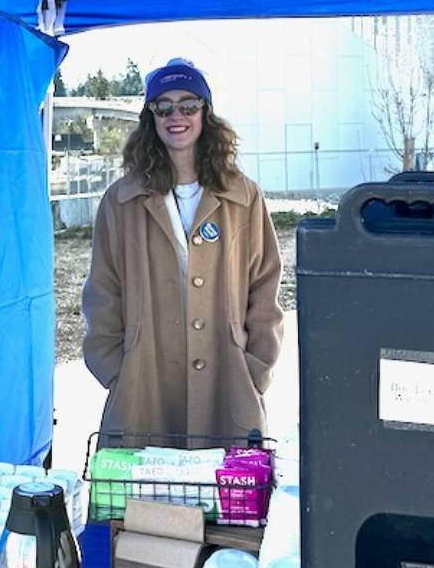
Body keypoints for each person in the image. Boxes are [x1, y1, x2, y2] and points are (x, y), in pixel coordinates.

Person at [82, 58, 284, 443]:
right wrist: (115, 370)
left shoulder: (243, 197)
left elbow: (265, 287)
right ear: (151, 117)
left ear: (205, 113)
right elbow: (103, 291)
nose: (177, 116)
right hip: (144, 385)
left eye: (189, 105)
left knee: (225, 498)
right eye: (165, 107)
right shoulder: (121, 201)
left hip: (229, 382)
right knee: (147, 499)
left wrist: (256, 367)